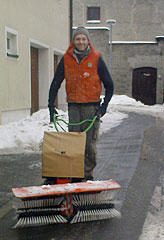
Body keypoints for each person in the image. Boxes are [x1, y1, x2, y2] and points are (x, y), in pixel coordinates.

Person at [46, 26, 114, 184]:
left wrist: (103, 107)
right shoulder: (66, 59)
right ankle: (76, 175)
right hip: (74, 107)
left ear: (87, 40)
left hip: (91, 108)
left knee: (88, 145)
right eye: (78, 39)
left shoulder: (96, 58)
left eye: (83, 39)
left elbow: (110, 85)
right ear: (73, 41)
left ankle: (87, 176)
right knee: (74, 143)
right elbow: (56, 83)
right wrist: (50, 106)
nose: (81, 42)